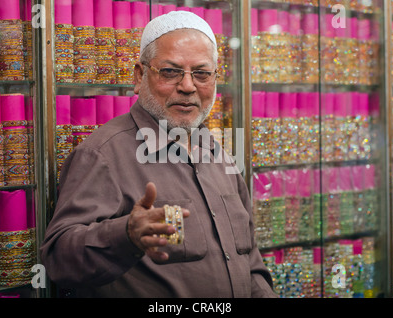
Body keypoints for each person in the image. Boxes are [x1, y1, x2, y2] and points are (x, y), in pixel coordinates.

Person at [40, 11, 276, 298]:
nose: (188, 86)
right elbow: (58, 259)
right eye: (171, 72)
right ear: (139, 76)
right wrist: (125, 234)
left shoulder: (218, 152)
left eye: (201, 73)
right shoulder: (102, 155)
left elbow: (249, 261)